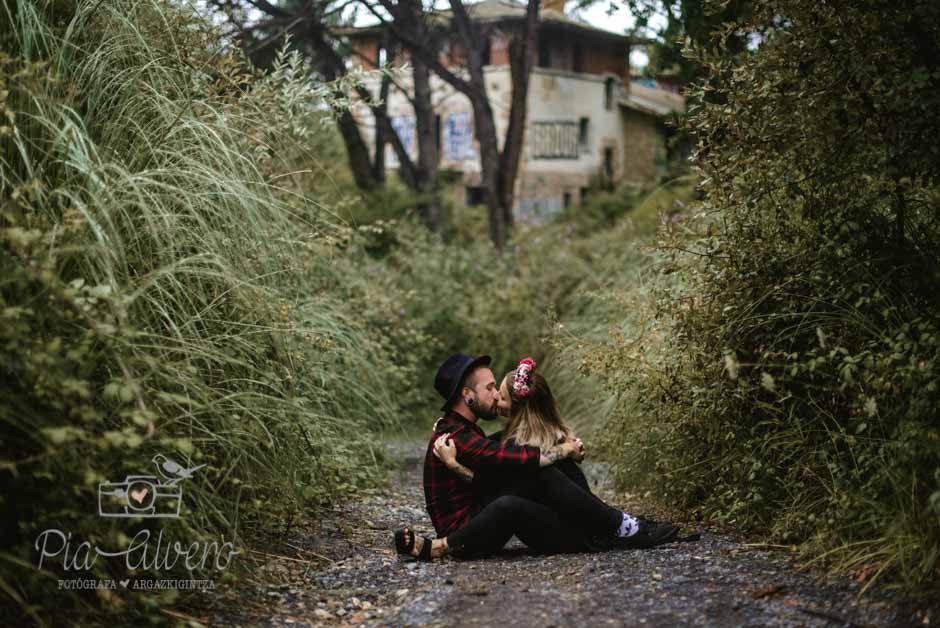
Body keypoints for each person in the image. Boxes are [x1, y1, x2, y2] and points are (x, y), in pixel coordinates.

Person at [393, 354, 679, 561]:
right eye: (490, 388)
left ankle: (607, 527)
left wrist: (559, 442)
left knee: (536, 467)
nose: (494, 396)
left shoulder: (462, 431)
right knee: (532, 471)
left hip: (480, 512)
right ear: (467, 396)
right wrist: (564, 449)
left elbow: (498, 456)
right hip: (468, 533)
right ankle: (618, 526)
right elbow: (513, 459)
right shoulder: (455, 437)